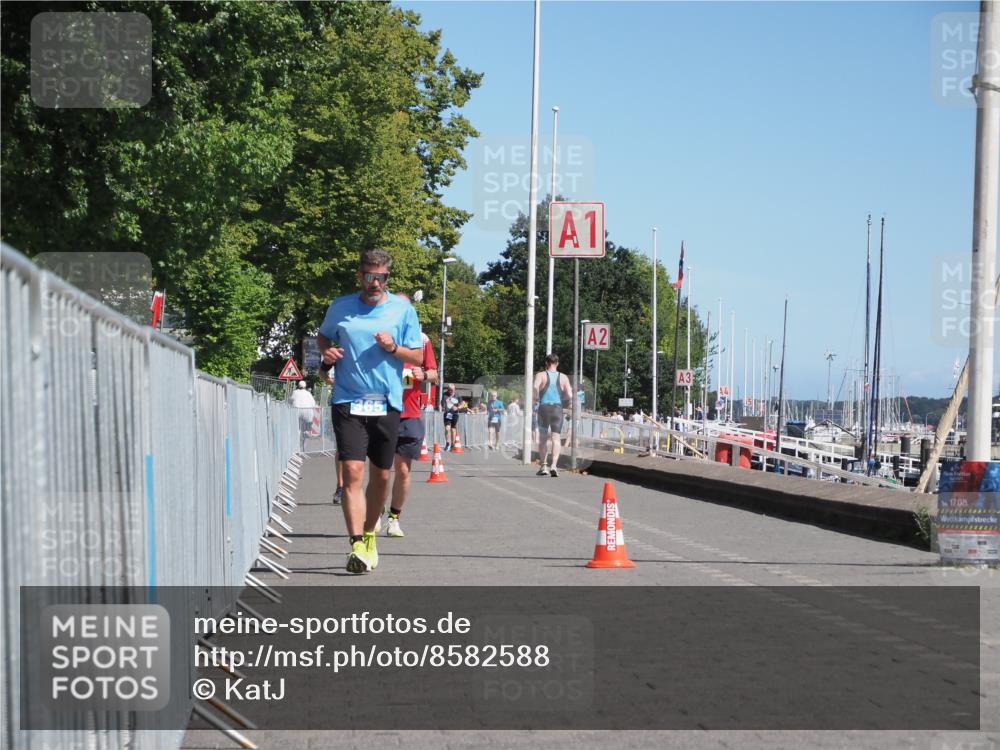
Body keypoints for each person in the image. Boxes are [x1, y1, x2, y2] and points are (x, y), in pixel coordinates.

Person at [316, 249, 423, 574]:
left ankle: (370, 536)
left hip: (386, 400)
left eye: (381, 277)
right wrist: (328, 351)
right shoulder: (341, 307)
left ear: (388, 278)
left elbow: (417, 357)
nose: (374, 282)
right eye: (368, 275)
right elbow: (322, 337)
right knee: (352, 473)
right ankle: (357, 546)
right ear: (360, 275)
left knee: (381, 475)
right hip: (348, 400)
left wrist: (393, 348)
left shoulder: (402, 310)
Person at [387, 313, 438, 538]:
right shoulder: (381, 336)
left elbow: (434, 373)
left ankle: (394, 518)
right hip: (382, 411)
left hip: (409, 413)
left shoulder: (422, 340)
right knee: (379, 470)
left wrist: (424, 374)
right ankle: (377, 504)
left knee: (403, 469)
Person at [532, 353, 573, 477]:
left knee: (543, 439)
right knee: (556, 439)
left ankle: (544, 466)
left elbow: (535, 387)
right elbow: (570, 395)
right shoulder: (564, 377)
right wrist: (563, 398)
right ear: (557, 363)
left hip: (544, 408)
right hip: (557, 409)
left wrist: (536, 397)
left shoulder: (541, 375)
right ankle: (554, 465)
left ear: (546, 363)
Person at [288, 380, 317, 451]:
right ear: (305, 386)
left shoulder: (295, 392)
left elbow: (290, 401)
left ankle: (297, 447)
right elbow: (313, 403)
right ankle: (304, 438)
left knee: (297, 428)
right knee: (305, 428)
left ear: (298, 386)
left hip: (297, 412)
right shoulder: (308, 393)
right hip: (307, 413)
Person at [442, 384, 460, 450]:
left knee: (453, 429)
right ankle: (447, 443)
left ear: (454, 389)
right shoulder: (445, 394)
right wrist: (443, 407)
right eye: (449, 390)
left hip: (455, 414)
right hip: (447, 414)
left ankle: (453, 444)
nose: (450, 391)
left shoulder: (457, 395)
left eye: (451, 390)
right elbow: (442, 403)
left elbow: (462, 403)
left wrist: (457, 407)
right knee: (447, 428)